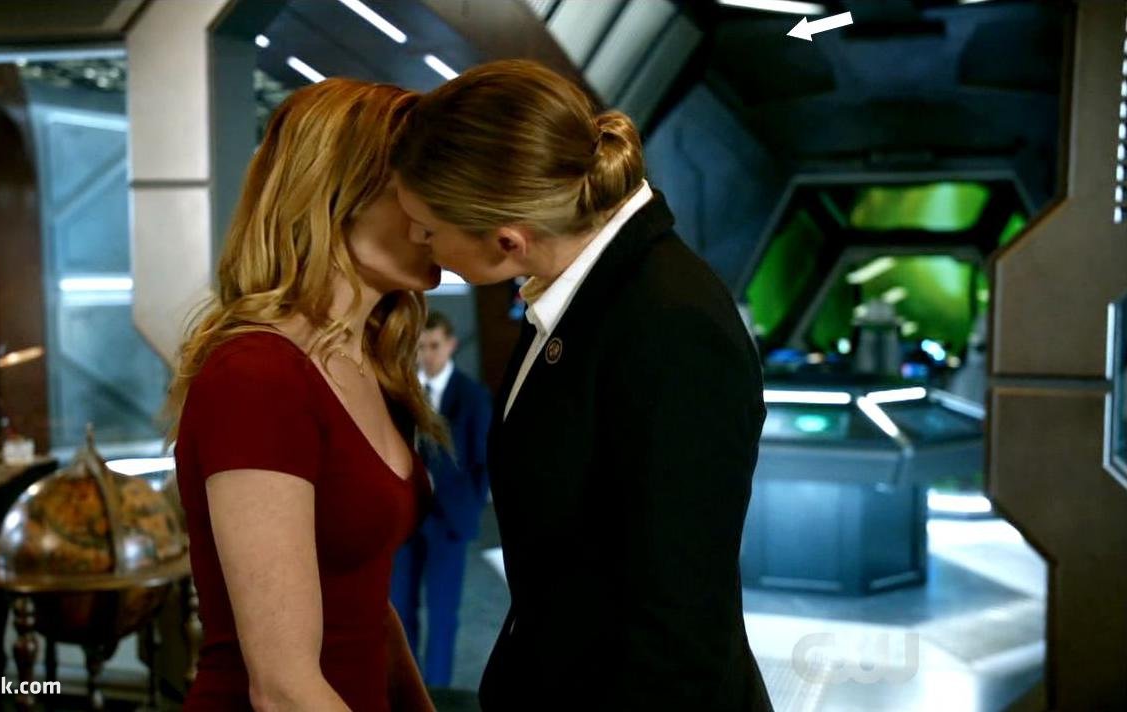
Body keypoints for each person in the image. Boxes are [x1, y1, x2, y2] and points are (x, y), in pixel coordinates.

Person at [392, 60, 773, 711]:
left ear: (508, 238)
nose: (416, 241)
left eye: (427, 229)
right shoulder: (579, 292)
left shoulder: (669, 323)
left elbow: (678, 617)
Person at [165, 78, 445, 712]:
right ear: (340, 193)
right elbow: (283, 688)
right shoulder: (257, 376)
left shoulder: (367, 361)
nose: (445, 208)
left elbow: (365, 606)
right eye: (422, 184)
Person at [390, 311, 492, 688]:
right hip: (406, 521)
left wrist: (468, 507)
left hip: (449, 522)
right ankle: (410, 690)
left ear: (450, 345)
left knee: (443, 614)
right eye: (420, 347)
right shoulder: (402, 394)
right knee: (400, 611)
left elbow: (483, 461)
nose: (427, 355)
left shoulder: (471, 396)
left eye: (434, 346)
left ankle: (437, 693)